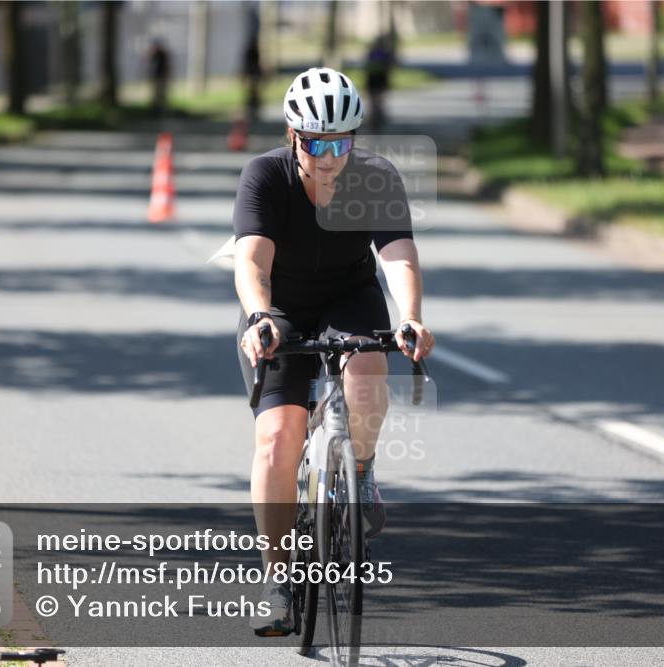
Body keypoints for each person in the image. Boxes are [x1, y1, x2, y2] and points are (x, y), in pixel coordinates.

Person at [233, 67, 434, 636]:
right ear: (294, 135)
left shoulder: (375, 177)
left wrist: (411, 317)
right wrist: (258, 317)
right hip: (280, 307)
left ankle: (361, 470)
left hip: (350, 296)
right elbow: (251, 261)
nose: (329, 156)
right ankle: (277, 580)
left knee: (369, 373)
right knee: (276, 438)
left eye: (341, 142)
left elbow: (397, 255)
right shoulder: (265, 176)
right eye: (317, 142)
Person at [364, 34, 395, 133]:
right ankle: (376, 117)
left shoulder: (372, 53)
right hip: (380, 79)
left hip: (373, 79)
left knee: (373, 101)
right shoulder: (386, 53)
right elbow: (390, 66)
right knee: (379, 100)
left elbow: (367, 66)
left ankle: (373, 119)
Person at [147, 39, 171, 117]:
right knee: (155, 94)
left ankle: (161, 110)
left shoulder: (162, 55)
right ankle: (155, 109)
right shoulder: (154, 55)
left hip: (161, 77)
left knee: (161, 94)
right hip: (156, 77)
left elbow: (166, 66)